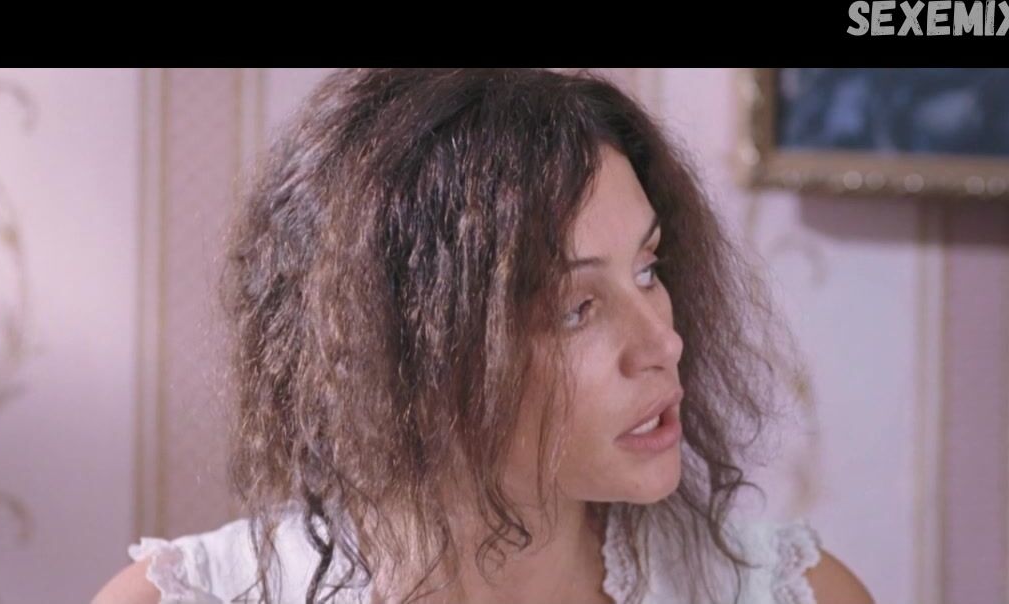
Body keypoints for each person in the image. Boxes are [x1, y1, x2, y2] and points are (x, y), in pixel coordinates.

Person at [93, 68, 875, 604]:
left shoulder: (795, 595)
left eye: (647, 269)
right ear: (410, 353)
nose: (661, 345)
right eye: (576, 308)